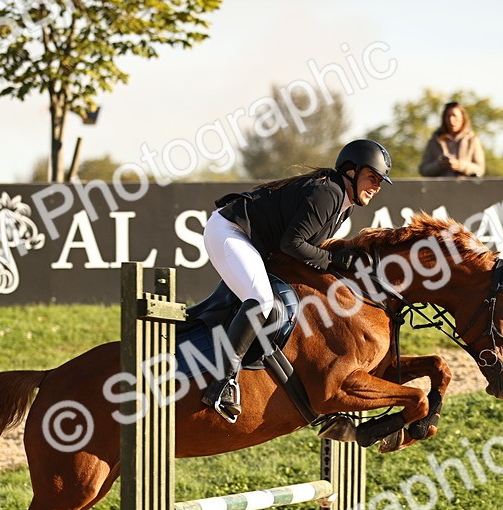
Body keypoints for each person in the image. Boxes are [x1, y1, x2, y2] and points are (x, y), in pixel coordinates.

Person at [201, 139, 393, 423]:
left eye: (380, 181)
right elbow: (293, 244)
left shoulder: (344, 203)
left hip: (257, 244)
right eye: (372, 178)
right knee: (262, 300)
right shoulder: (328, 193)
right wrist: (335, 261)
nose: (376, 187)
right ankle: (222, 383)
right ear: (351, 171)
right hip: (230, 232)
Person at [418, 101, 485, 178]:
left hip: (464, 188)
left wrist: (459, 165)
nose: (451, 120)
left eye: (454, 116)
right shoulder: (435, 141)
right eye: (448, 116)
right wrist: (439, 165)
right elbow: (423, 170)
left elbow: (480, 169)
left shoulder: (472, 140)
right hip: (441, 188)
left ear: (462, 118)